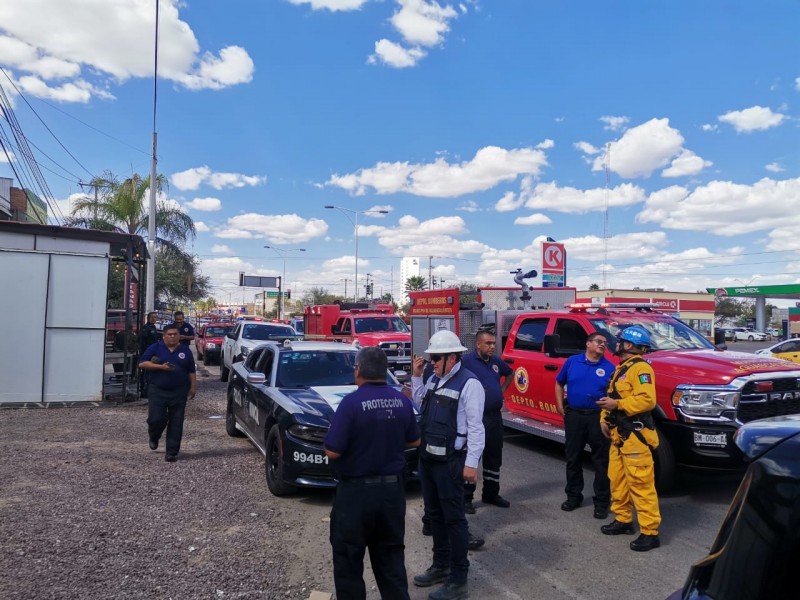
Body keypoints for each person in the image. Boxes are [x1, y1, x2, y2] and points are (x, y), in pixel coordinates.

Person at [324, 347, 420, 600]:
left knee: (348, 560)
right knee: (391, 561)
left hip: (356, 495)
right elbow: (415, 440)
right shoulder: (401, 401)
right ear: (384, 371)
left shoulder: (350, 404)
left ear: (358, 371)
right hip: (392, 494)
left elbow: (333, 451)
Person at [411, 330, 485, 600]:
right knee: (435, 516)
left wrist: (471, 464)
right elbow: (421, 403)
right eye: (431, 358)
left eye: (435, 358)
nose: (431, 362)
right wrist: (417, 377)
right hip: (429, 460)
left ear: (452, 358)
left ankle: (458, 580)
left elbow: (476, 428)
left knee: (454, 520)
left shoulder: (470, 384)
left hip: (451, 463)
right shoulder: (434, 378)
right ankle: (440, 566)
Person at [596, 325, 661, 552]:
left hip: (635, 437)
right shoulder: (621, 368)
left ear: (629, 345)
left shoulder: (641, 368)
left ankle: (650, 533)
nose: (617, 344)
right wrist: (604, 418)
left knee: (641, 485)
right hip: (619, 435)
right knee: (618, 481)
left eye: (621, 341)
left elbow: (647, 400)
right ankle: (623, 520)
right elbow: (611, 396)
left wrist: (617, 405)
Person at [554, 332, 614, 519]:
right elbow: (559, 383)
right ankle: (573, 497)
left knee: (601, 461)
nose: (602, 345)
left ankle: (602, 502)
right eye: (599, 341)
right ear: (588, 344)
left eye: (605, 343)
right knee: (573, 458)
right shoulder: (572, 362)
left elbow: (614, 395)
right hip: (574, 416)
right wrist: (559, 405)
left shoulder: (610, 368)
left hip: (598, 418)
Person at [461, 326, 513, 511]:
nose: (492, 346)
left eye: (493, 343)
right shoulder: (466, 361)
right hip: (477, 418)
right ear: (478, 344)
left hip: (494, 418)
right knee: (472, 456)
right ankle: (466, 498)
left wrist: (501, 390)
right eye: (488, 343)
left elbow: (510, 373)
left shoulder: (496, 362)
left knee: (494, 456)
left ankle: (491, 494)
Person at [138, 324, 197, 462]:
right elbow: (142, 363)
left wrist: (193, 387)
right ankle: (154, 436)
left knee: (177, 421)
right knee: (156, 419)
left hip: (179, 390)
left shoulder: (185, 350)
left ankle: (171, 452)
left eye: (175, 334)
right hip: (157, 389)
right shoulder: (155, 348)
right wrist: (160, 367)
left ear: (179, 336)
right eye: (169, 334)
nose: (172, 336)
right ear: (164, 336)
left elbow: (191, 370)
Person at [139, 312, 161, 398]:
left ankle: (149, 390)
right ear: (148, 318)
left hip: (153, 353)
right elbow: (142, 341)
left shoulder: (153, 327)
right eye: (152, 317)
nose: (153, 319)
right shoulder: (146, 328)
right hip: (146, 353)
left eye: (155, 317)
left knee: (150, 372)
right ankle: (144, 391)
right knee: (145, 373)